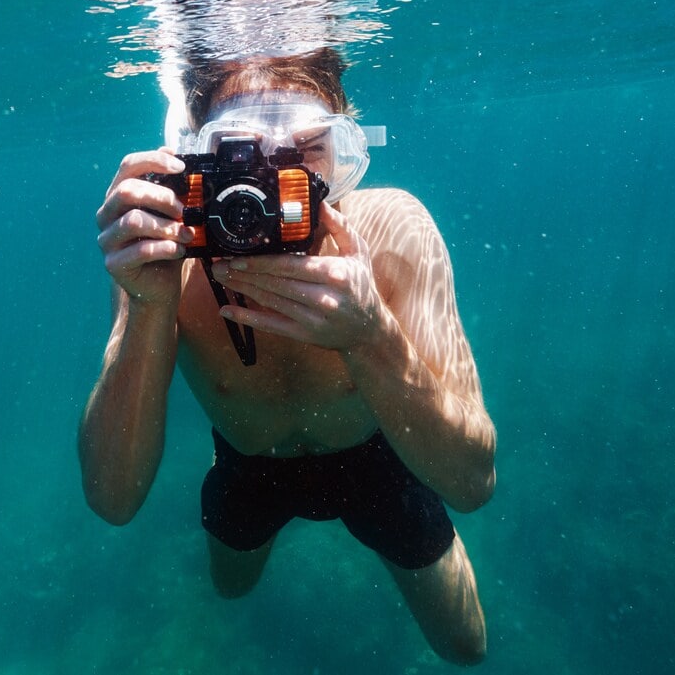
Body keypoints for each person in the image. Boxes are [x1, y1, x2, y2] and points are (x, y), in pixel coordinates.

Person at [82, 49, 496, 666]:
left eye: (309, 150)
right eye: (241, 156)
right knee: (231, 588)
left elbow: (474, 482)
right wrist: (148, 306)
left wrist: (372, 336)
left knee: (467, 647)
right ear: (195, 158)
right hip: (249, 465)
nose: (276, 187)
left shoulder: (394, 231)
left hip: (379, 459)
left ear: (348, 149)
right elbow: (112, 499)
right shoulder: (166, 254)